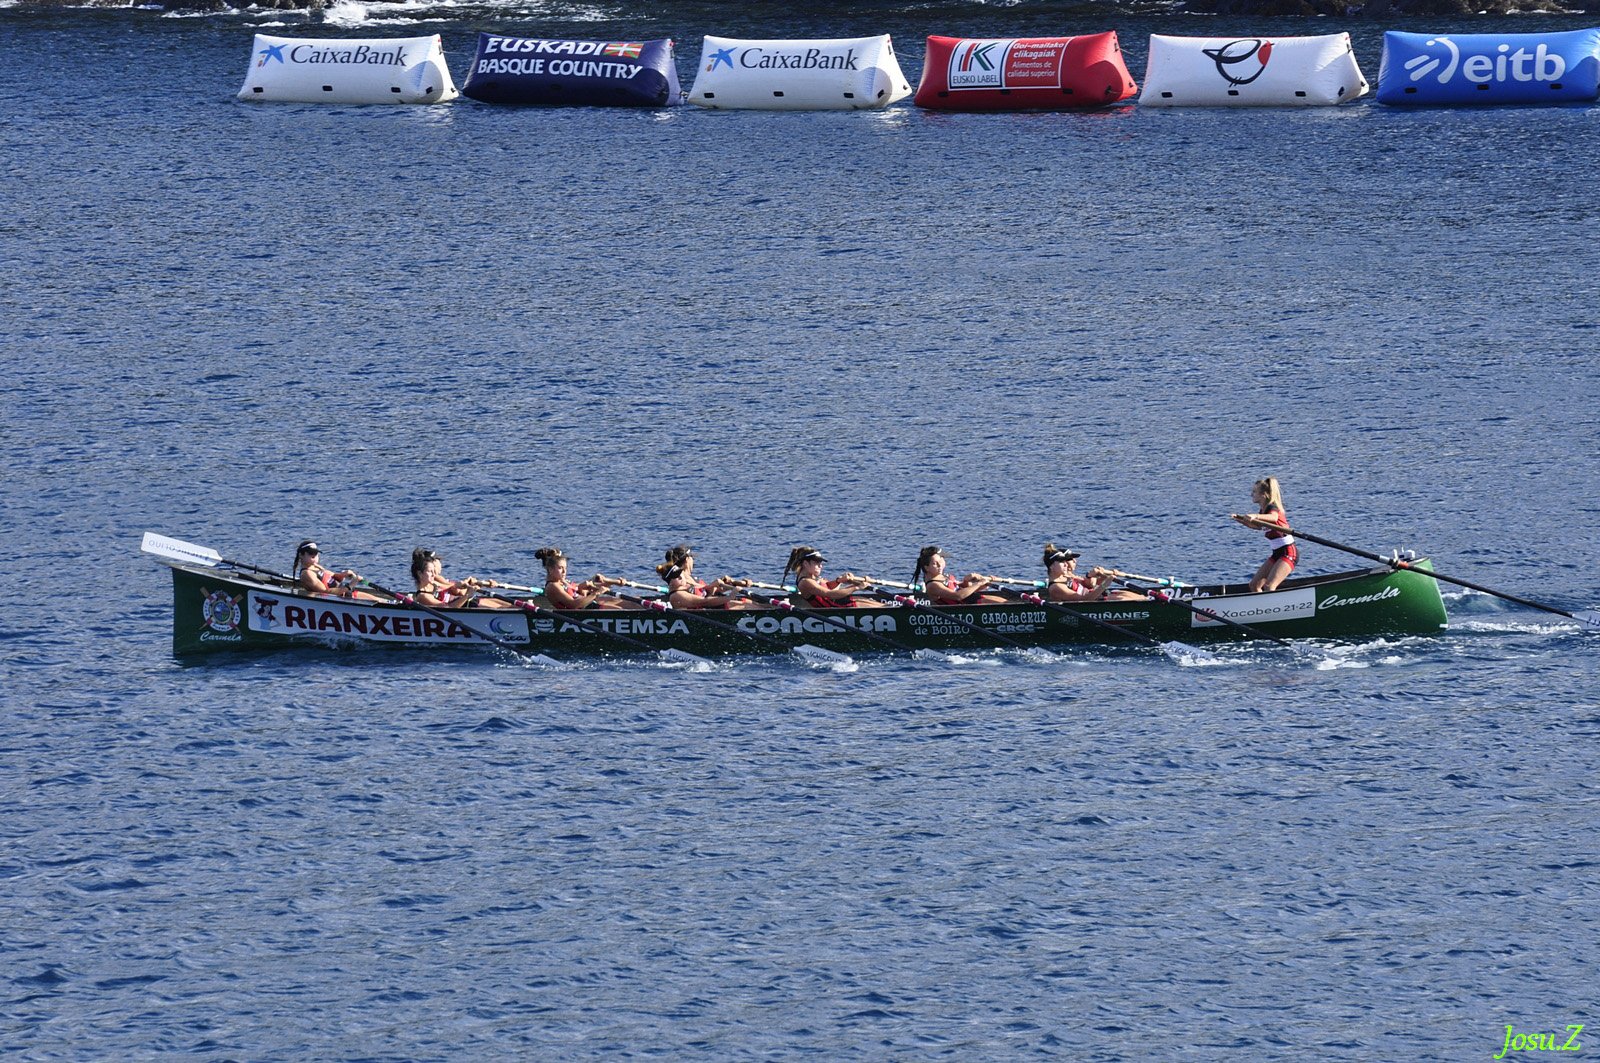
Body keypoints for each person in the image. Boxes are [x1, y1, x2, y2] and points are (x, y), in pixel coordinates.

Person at [1230, 476, 1297, 592]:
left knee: (1269, 586)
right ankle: (1261, 603)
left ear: (1263, 495)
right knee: (1254, 585)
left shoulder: (1272, 507)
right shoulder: (1263, 510)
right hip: (1277, 553)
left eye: (1254, 492)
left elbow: (1274, 517)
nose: (1251, 494)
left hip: (1288, 552)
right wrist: (1241, 521)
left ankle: (1275, 603)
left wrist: (1255, 516)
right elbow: (1258, 526)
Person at [655, 544, 759, 610]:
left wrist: (734, 583)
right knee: (748, 606)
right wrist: (729, 596)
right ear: (687, 560)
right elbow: (705, 601)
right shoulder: (679, 590)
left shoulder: (686, 581)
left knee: (754, 603)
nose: (681, 578)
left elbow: (707, 593)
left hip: (714, 607)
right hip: (711, 611)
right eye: (692, 558)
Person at [781, 546, 890, 608]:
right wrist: (857, 587)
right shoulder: (805, 582)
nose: (820, 566)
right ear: (805, 563)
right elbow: (829, 594)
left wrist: (839, 581)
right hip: (836, 608)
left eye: (820, 563)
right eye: (817, 563)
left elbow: (828, 586)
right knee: (881, 607)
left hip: (840, 602)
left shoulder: (812, 577)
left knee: (883, 606)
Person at [410, 548, 514, 609]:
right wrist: (467, 594)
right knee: (505, 608)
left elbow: (454, 589)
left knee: (508, 604)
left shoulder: (434, 584)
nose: (434, 574)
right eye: (430, 571)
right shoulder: (423, 596)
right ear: (420, 574)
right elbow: (448, 609)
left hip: (470, 602)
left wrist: (478, 584)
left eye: (434, 570)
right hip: (467, 608)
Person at [1041, 543, 1143, 603]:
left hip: (1100, 597)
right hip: (1094, 604)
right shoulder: (1056, 587)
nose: (1065, 564)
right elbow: (1086, 599)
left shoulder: (1067, 577)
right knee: (1124, 599)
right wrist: (1105, 584)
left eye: (1065, 561)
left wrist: (1101, 576)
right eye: (1061, 562)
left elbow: (1090, 584)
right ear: (1051, 566)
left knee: (1139, 597)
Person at [912, 545, 1009, 605]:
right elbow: (958, 596)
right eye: (934, 563)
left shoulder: (944, 576)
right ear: (927, 567)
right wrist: (979, 583)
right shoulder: (933, 585)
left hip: (976, 600)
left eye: (941, 561)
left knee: (1007, 603)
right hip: (967, 609)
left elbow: (964, 589)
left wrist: (967, 581)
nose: (939, 565)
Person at [535, 546, 625, 610]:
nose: (564, 571)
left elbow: (582, 589)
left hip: (590, 604)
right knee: (620, 610)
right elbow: (574, 605)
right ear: (550, 569)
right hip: (583, 613)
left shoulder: (562, 582)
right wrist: (597, 593)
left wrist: (612, 582)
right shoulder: (553, 586)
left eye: (565, 568)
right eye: (560, 568)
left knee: (625, 603)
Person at [293, 540, 382, 601]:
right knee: (379, 601)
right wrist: (350, 585)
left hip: (347, 594)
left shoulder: (316, 566)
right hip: (342, 599)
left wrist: (343, 575)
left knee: (381, 600)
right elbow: (325, 593)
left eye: (316, 553)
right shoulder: (307, 574)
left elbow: (334, 578)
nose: (314, 556)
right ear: (301, 555)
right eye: (311, 553)